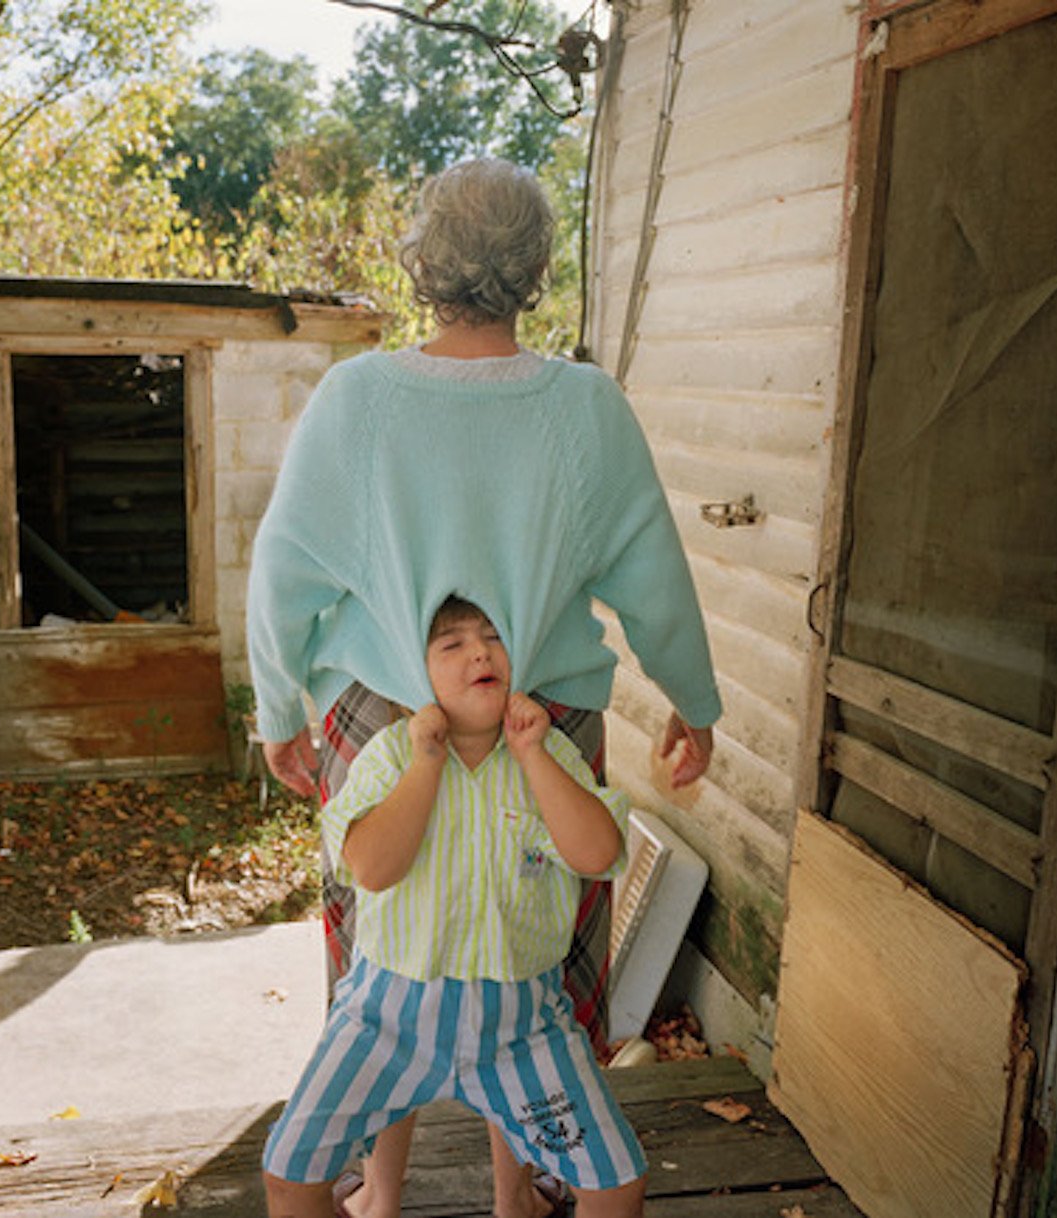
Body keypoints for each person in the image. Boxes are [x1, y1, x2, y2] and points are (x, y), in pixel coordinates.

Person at [246, 157, 720, 1218]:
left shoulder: (360, 397)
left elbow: (287, 570)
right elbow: (655, 573)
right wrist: (694, 701)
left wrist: (278, 709)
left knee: (386, 970)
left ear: (425, 263)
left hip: (386, 717)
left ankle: (377, 1187)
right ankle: (525, 1196)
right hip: (541, 726)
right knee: (533, 970)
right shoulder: (586, 409)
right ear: (536, 268)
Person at [263, 598, 646, 1218]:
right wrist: (426, 762)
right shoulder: (390, 756)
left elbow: (597, 852)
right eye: (453, 644)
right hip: (386, 1020)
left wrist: (533, 756)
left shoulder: (545, 756)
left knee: (616, 1183)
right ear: (415, 677)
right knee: (289, 1172)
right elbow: (371, 868)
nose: (480, 652)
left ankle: (515, 1201)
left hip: (522, 1029)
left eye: (495, 638)